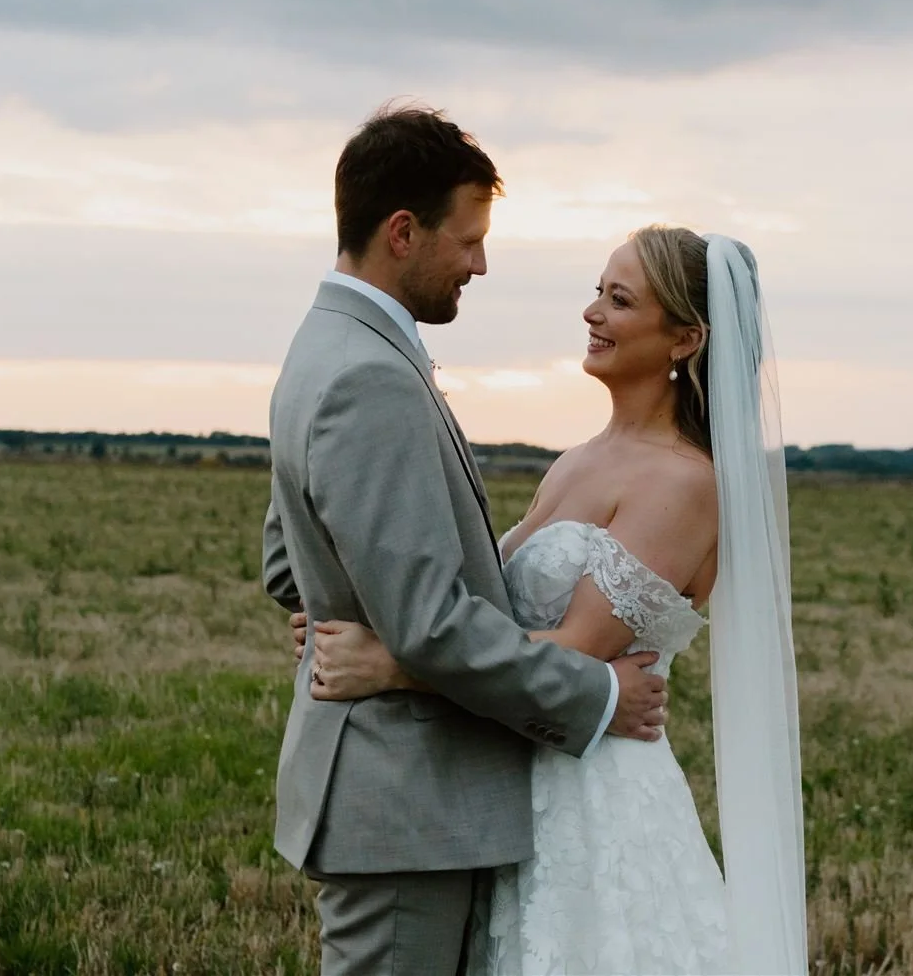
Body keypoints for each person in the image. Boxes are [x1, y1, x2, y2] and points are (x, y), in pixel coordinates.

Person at [303, 224, 808, 974]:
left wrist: (392, 663)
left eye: (620, 299)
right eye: (597, 292)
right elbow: (490, 615)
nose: (592, 313)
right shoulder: (580, 458)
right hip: (517, 777)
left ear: (685, 338)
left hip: (594, 805)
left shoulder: (682, 482)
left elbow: (576, 652)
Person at [261, 104, 672, 976]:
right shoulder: (371, 373)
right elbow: (433, 624)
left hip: (402, 796)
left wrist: (333, 611)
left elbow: (284, 556)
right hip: (403, 800)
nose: (481, 263)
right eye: (470, 238)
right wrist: (595, 693)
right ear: (403, 232)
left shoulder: (323, 345)